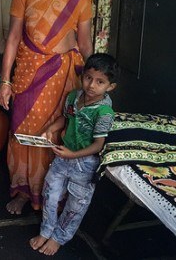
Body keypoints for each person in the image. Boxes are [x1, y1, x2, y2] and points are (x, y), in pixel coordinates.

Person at [0, 0, 94, 215]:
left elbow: (85, 43)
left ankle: (51, 193)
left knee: (55, 134)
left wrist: (93, 83)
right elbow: (13, 38)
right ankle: (23, 191)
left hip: (63, 76)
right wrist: (5, 81)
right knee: (21, 131)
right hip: (27, 73)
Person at [30, 53, 119, 255]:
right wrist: (51, 129)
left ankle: (59, 237)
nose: (91, 85)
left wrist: (73, 155)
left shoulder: (104, 113)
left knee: (75, 205)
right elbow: (65, 119)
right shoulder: (73, 97)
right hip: (63, 156)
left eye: (100, 82)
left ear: (110, 87)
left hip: (85, 164)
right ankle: (46, 230)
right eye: (88, 78)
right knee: (50, 194)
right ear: (82, 76)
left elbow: (98, 145)